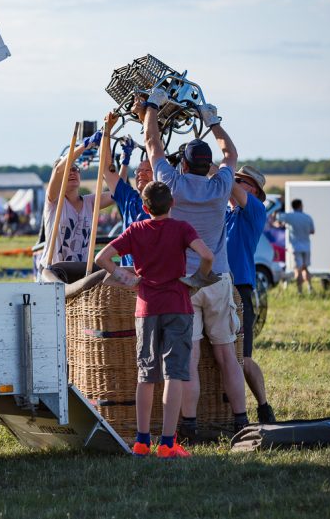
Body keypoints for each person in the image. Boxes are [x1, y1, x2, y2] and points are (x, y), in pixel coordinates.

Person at [133, 91, 248, 438]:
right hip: (217, 278)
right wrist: (212, 120)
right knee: (228, 355)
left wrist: (151, 106)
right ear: (204, 164)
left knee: (190, 358)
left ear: (183, 164)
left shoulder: (173, 184)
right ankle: (241, 421)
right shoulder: (220, 185)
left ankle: (191, 426)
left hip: (183, 283)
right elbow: (231, 154)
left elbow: (153, 143)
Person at [96, 181, 217, 458]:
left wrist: (127, 279)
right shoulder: (182, 228)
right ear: (172, 203)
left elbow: (103, 258)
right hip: (178, 304)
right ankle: (167, 443)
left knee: (146, 374)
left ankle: (141, 442)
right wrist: (198, 279)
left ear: (144, 206)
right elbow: (207, 255)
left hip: (146, 307)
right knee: (174, 374)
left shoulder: (135, 230)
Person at [225, 165, 277, 423]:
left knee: (243, 358)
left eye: (239, 181)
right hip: (217, 289)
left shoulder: (256, 209)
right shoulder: (226, 214)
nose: (233, 183)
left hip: (240, 290)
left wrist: (218, 171)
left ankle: (264, 407)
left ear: (253, 190)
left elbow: (227, 185)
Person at [38, 126, 116, 270]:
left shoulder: (90, 202)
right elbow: (58, 169)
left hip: (81, 271)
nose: (72, 172)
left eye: (75, 169)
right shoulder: (54, 201)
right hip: (54, 271)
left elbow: (117, 193)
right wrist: (84, 146)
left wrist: (120, 162)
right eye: (68, 170)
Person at [100, 112, 153, 266]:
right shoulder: (129, 198)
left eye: (147, 171)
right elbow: (106, 169)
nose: (141, 174)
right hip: (130, 276)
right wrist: (107, 131)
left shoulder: (166, 200)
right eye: (138, 171)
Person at [275, 199, 315, 293]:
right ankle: (309, 288)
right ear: (301, 205)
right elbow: (312, 231)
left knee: (298, 269)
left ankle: (300, 291)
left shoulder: (290, 216)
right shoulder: (308, 217)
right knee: (305, 268)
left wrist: (278, 207)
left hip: (295, 247)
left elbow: (278, 217)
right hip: (306, 246)